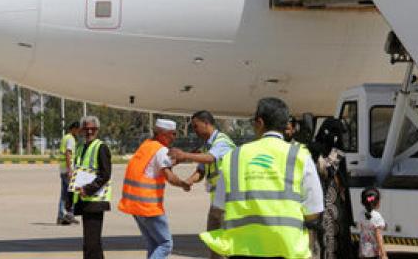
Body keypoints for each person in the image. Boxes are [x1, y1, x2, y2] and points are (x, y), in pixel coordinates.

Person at [200, 97, 324, 259]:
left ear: (260, 122)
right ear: (285, 125)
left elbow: (217, 211)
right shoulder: (299, 156)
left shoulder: (233, 157)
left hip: (241, 251)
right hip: (287, 250)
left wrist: (215, 254)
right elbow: (313, 212)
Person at [119, 119, 191, 259]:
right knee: (165, 244)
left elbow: (155, 167)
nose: (174, 137)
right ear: (162, 134)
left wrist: (181, 159)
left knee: (153, 243)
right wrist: (183, 184)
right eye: (173, 134)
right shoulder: (161, 150)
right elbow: (169, 177)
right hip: (148, 206)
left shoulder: (146, 145)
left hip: (135, 205)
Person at [170, 111, 235, 259]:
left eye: (196, 126)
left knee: (226, 245)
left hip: (229, 201)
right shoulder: (207, 145)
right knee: (213, 243)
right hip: (216, 202)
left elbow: (210, 159)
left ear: (206, 124)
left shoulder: (222, 141)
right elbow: (201, 170)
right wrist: (188, 181)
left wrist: (185, 155)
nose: (195, 130)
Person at [73, 115, 112, 259]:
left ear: (97, 130)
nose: (89, 132)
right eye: (86, 129)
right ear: (82, 130)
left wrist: (87, 189)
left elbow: (105, 174)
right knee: (90, 243)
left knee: (92, 243)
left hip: (96, 200)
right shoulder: (81, 148)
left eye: (92, 129)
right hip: (84, 200)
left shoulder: (101, 147)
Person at [58, 121, 81, 225]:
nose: (79, 132)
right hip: (67, 169)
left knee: (64, 194)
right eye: (78, 129)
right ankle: (68, 215)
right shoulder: (70, 139)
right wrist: (70, 169)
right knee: (70, 194)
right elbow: (68, 153)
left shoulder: (65, 137)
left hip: (63, 169)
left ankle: (61, 217)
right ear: (74, 129)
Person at [359, 188, 387, 259]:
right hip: (373, 252)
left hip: (363, 251)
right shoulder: (377, 216)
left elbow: (362, 232)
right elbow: (378, 236)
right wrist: (384, 254)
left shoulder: (361, 214)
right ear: (376, 202)